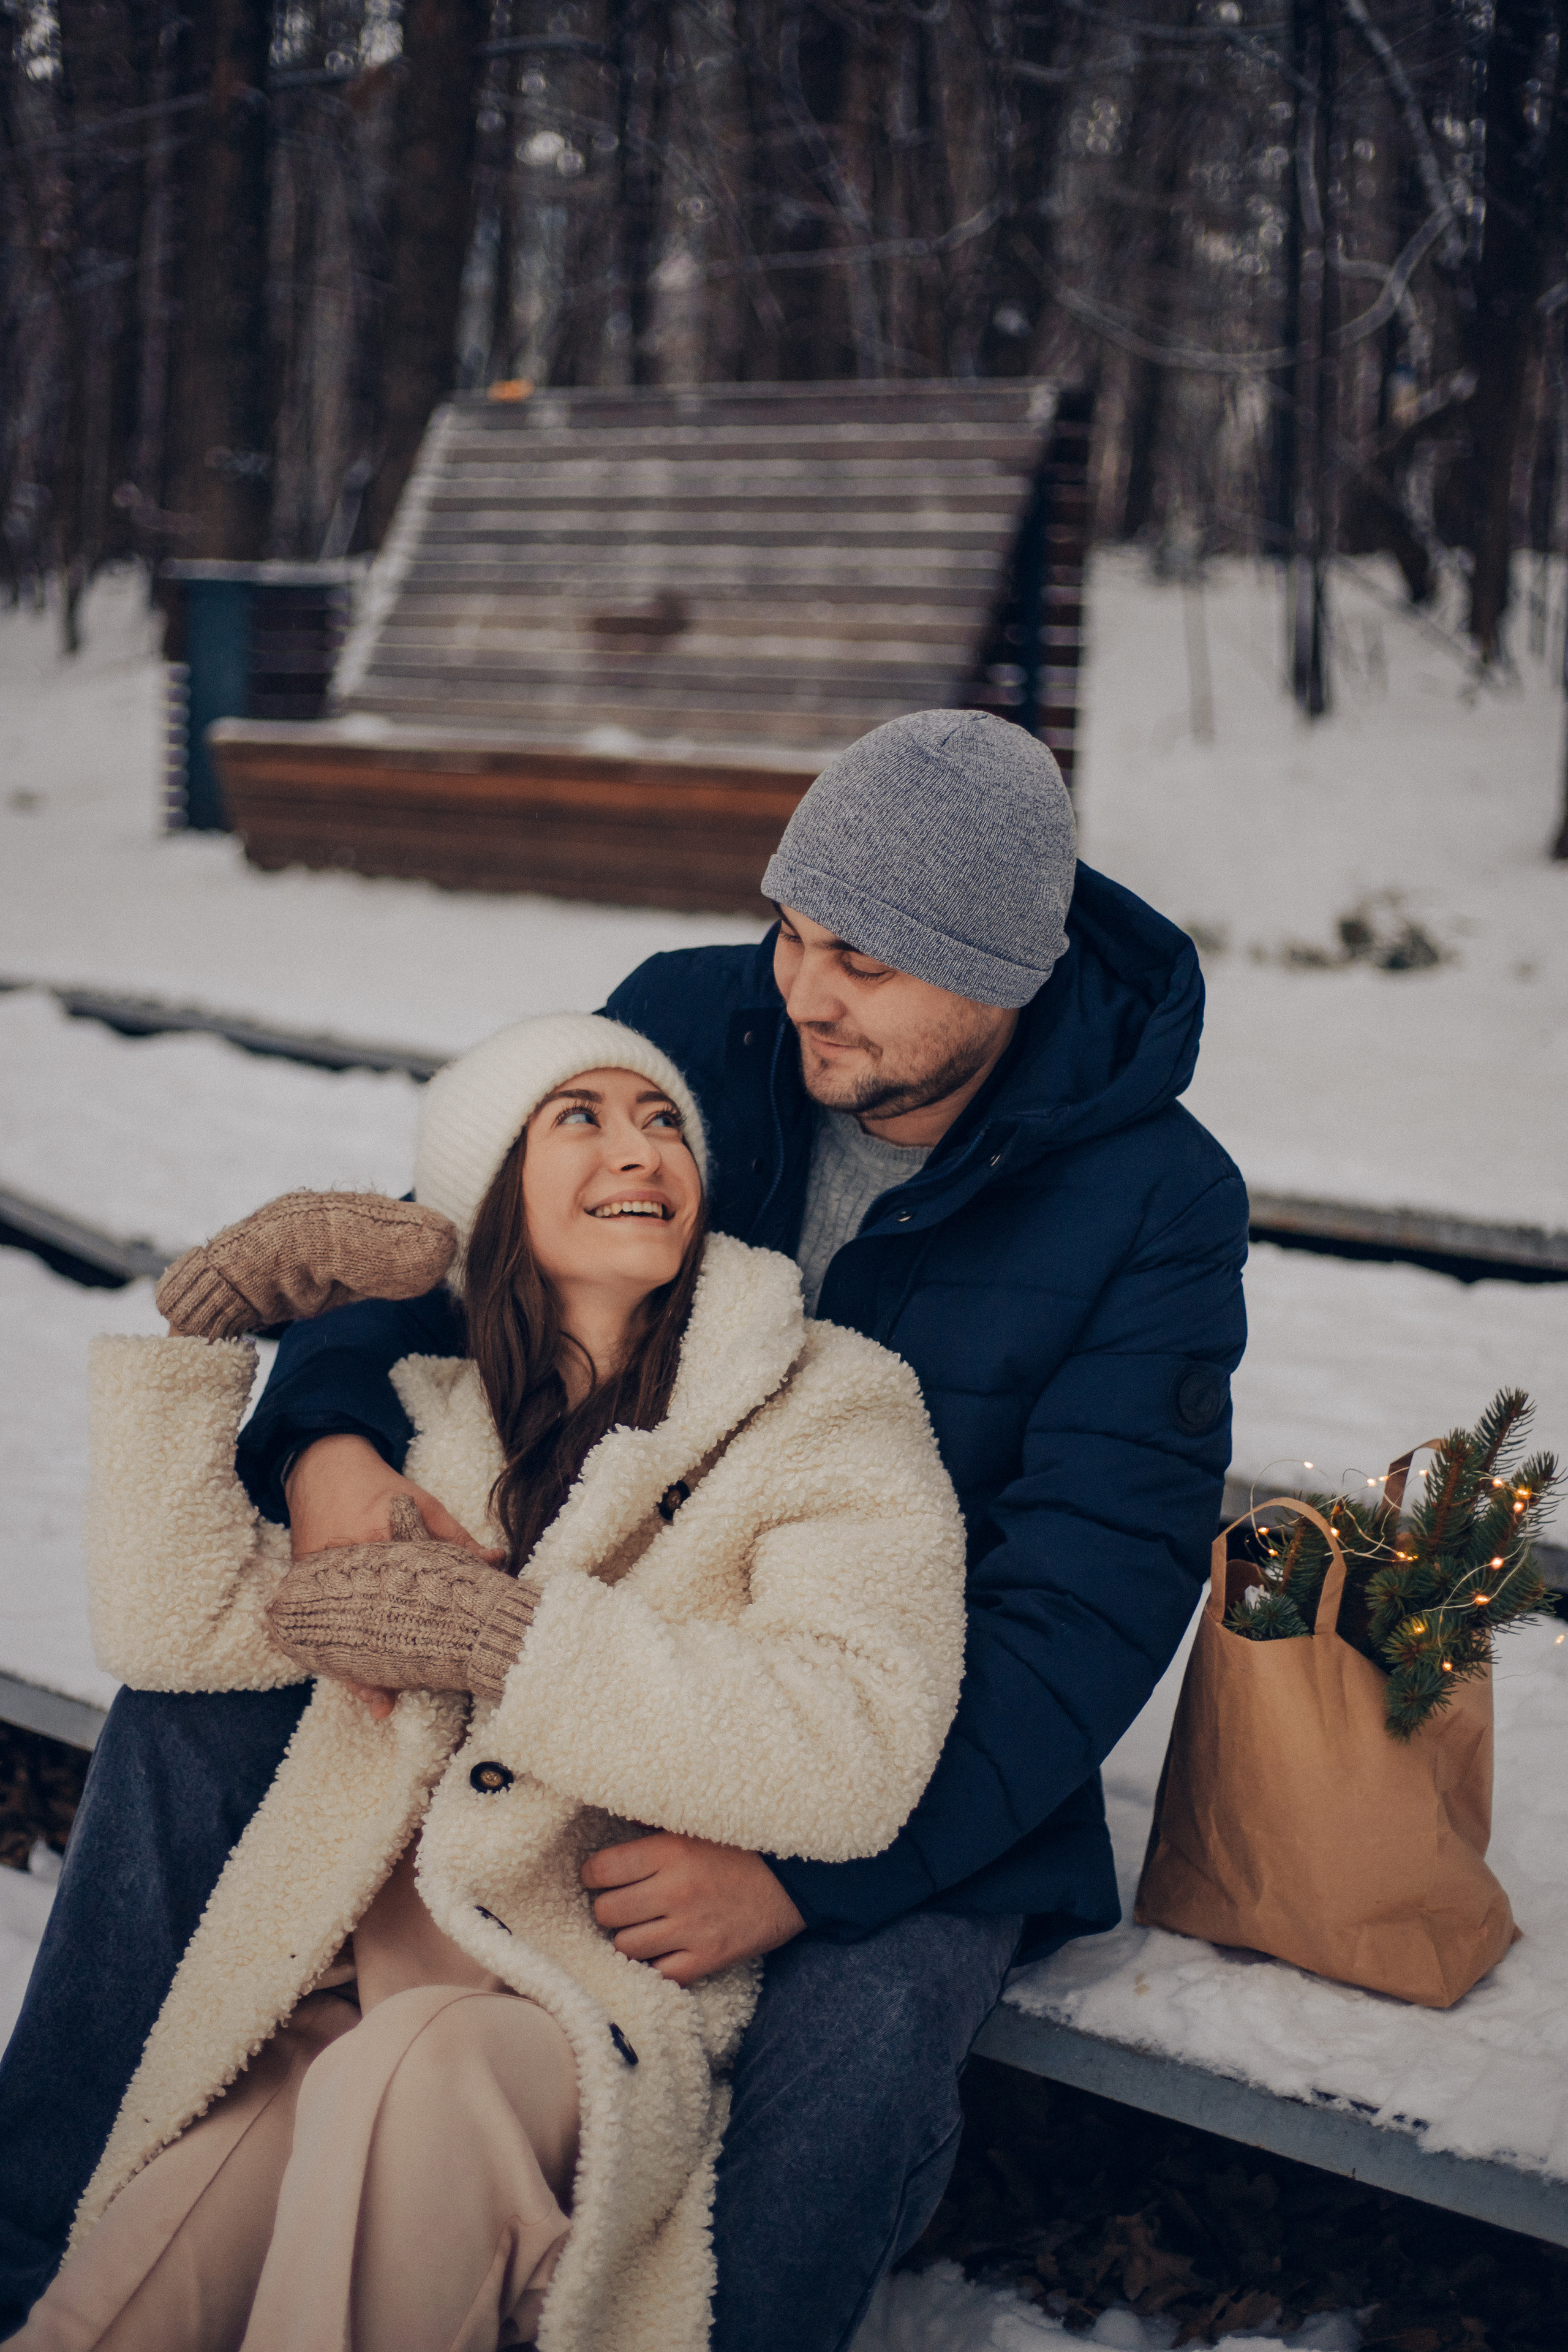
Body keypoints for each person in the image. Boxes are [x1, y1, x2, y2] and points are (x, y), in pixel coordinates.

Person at [0, 709, 1249, 2349]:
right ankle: (41, 2240)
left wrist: (806, 1875)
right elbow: (445, 1235)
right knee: (194, 1713)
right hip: (572, 1619)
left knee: (868, 2022)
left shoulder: (1155, 1202)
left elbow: (1088, 1603)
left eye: (859, 963)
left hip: (907, 1722)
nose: (803, 989)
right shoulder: (691, 1025)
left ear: (997, 976)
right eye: (793, 932)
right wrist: (320, 1441)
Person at [13, 1014, 967, 2351]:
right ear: (487, 1191)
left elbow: (855, 1744)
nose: (640, 1147)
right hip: (339, 1989)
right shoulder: (425, 1410)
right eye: (577, 1117)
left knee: (407, 2077)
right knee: (123, 2289)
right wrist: (200, 1334)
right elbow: (183, 1634)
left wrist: (509, 1642)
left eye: (662, 1119)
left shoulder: (827, 1407)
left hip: (576, 2014)